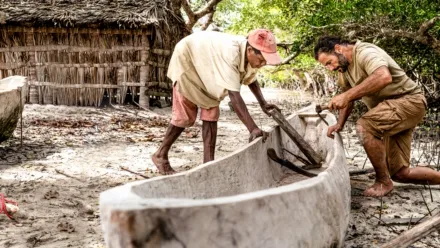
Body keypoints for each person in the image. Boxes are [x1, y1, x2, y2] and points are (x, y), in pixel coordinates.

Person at [314, 36, 440, 197]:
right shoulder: (344, 68)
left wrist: (347, 95)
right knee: (401, 174)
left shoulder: (365, 52)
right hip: (393, 110)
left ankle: (383, 181)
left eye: (329, 62)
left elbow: (383, 76)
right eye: (327, 66)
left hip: (410, 102)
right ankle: (393, 178)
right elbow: (348, 98)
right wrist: (340, 123)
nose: (330, 68)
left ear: (338, 49)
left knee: (365, 126)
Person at [152, 29, 282, 175]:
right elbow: (234, 95)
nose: (263, 63)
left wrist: (263, 103)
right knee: (185, 116)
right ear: (250, 50)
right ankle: (160, 155)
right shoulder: (231, 54)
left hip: (208, 67)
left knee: (211, 113)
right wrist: (253, 128)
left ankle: (209, 164)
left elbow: (251, 79)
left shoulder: (249, 56)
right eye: (262, 59)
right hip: (188, 60)